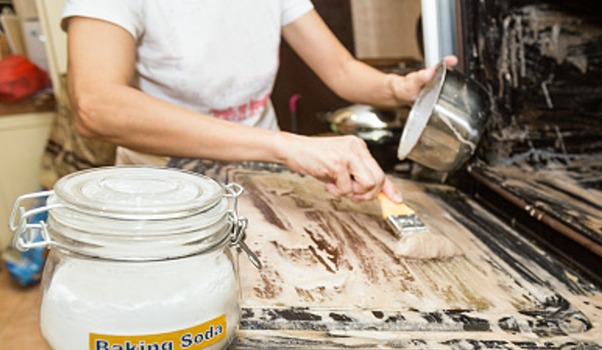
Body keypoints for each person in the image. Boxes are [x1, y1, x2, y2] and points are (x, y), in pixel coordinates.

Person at [61, 0, 456, 203]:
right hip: (166, 189)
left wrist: (398, 90)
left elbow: (340, 68)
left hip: (260, 177)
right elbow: (96, 106)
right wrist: (285, 145)